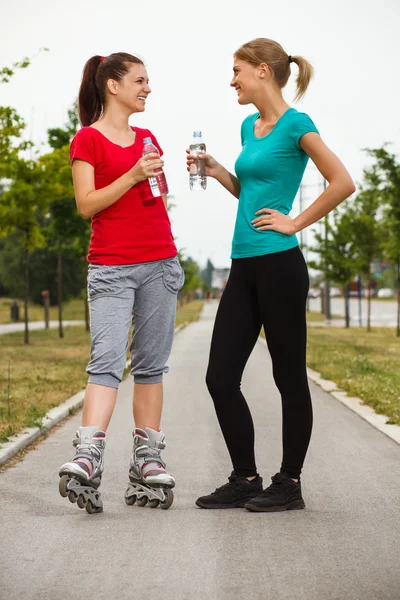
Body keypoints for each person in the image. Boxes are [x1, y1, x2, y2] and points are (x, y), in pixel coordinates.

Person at [188, 38, 355, 512]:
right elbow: (252, 192)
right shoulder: (249, 126)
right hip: (243, 266)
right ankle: (245, 477)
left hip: (281, 266)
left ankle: (289, 484)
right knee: (220, 376)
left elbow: (342, 181)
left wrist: (295, 222)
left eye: (237, 70)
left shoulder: (296, 125)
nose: (232, 79)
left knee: (287, 376)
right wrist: (220, 171)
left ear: (263, 70)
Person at [59, 52, 184, 514]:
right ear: (113, 85)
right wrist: (133, 174)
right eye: (140, 80)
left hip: (160, 262)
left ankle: (148, 460)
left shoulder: (147, 137)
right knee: (107, 361)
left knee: (151, 364)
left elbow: (157, 195)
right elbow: (87, 205)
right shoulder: (87, 140)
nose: (147, 88)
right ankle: (88, 455)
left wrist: (159, 175)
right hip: (111, 266)